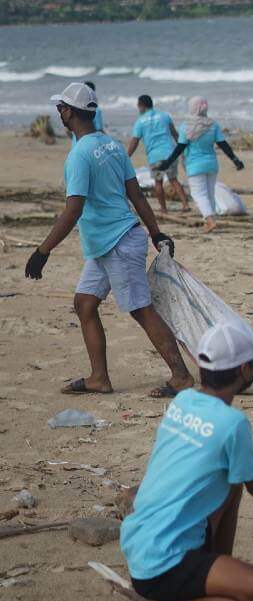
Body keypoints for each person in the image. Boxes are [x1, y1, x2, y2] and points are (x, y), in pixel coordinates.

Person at [120, 322, 253, 601]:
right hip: (165, 564)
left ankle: (212, 576)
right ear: (244, 370)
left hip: (141, 546)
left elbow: (211, 452)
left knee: (232, 483)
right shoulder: (232, 422)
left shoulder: (184, 401)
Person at [24, 83, 193, 399]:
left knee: (141, 309)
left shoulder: (79, 156)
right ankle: (99, 378)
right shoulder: (112, 146)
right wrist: (155, 233)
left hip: (118, 242)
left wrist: (42, 250)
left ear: (68, 112)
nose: (59, 112)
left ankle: (181, 377)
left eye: (61, 107)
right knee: (84, 304)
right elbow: (136, 194)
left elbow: (73, 209)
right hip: (106, 244)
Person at [155, 97, 244, 233]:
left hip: (194, 165)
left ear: (192, 108)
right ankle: (210, 219)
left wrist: (167, 163)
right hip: (212, 165)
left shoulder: (186, 126)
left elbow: (180, 148)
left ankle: (209, 220)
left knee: (198, 194)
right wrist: (235, 160)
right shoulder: (213, 125)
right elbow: (223, 144)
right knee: (209, 193)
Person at [128, 94, 190, 215]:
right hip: (170, 153)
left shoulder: (140, 121)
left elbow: (134, 141)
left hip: (154, 156)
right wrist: (182, 149)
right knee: (173, 179)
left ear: (142, 106)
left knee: (158, 182)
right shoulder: (164, 116)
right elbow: (174, 133)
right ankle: (185, 204)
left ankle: (163, 209)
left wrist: (127, 156)